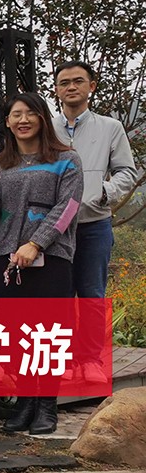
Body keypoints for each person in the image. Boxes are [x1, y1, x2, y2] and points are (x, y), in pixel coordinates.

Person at [0, 92, 82, 436]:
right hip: (6, 258)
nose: (23, 120)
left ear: (42, 117)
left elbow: (68, 208)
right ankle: (24, 401)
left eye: (29, 113)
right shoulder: (2, 164)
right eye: (15, 115)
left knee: (48, 333)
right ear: (7, 122)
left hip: (51, 257)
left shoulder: (67, 159)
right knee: (16, 333)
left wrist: (36, 243)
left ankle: (46, 404)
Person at [52, 61, 138, 379]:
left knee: (91, 294)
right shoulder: (47, 127)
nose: (71, 87)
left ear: (92, 86)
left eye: (78, 81)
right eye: (64, 83)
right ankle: (62, 360)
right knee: (58, 296)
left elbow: (126, 171)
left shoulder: (109, 127)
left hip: (94, 224)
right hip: (54, 228)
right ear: (56, 90)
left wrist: (103, 192)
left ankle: (89, 361)